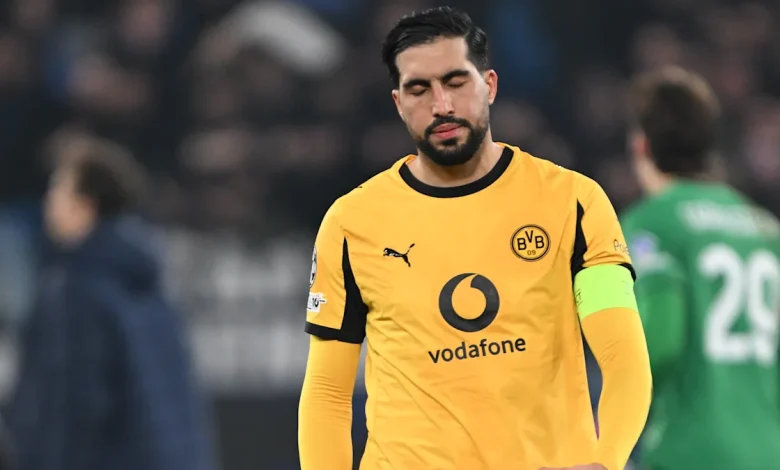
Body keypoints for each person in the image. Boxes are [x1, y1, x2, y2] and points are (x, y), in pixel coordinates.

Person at [298, 6, 651, 470]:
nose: (441, 105)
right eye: (419, 89)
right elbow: (327, 392)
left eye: (456, 82)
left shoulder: (573, 203)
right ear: (399, 103)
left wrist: (605, 463)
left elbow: (622, 357)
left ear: (490, 85)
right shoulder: (351, 223)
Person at [6, 139, 217, 470]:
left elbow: (74, 408)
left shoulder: (76, 289)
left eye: (59, 190)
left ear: (85, 205)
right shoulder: (148, 281)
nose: (49, 202)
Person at [621, 67, 780, 470]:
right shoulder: (765, 229)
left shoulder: (653, 222)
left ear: (641, 145)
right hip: (769, 450)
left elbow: (660, 341)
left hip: (689, 450)